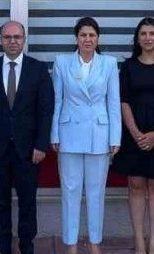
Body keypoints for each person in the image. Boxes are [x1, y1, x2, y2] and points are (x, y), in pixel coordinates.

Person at [0, 21, 54, 254]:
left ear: (24, 39)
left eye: (17, 37)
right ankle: (2, 246)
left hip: (28, 150)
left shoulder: (38, 69)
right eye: (7, 37)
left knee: (27, 201)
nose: (12, 41)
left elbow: (45, 110)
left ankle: (27, 246)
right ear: (1, 40)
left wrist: (41, 144)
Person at [50, 16, 121, 254]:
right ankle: (71, 244)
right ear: (76, 38)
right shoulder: (62, 62)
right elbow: (57, 99)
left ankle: (94, 243)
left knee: (95, 192)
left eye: (92, 35)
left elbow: (113, 102)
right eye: (83, 35)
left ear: (98, 38)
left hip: (98, 134)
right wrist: (54, 133)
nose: (87, 39)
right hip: (69, 132)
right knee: (70, 191)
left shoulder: (109, 64)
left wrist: (115, 137)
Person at [112, 17, 154, 254]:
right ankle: (139, 242)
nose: (148, 38)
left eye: (152, 33)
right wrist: (135, 133)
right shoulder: (128, 67)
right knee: (135, 185)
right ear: (137, 38)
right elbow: (122, 101)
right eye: (143, 34)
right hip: (134, 133)